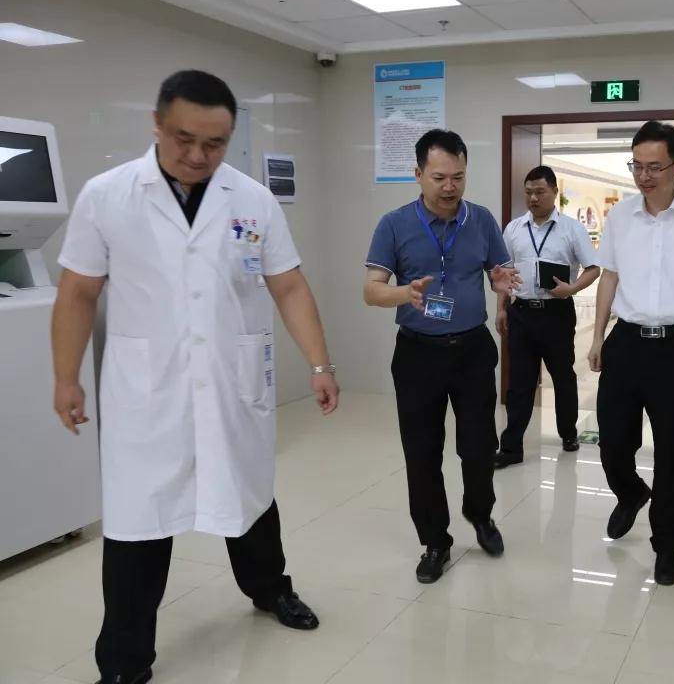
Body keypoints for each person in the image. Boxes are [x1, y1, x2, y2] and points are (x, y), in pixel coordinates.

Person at [52, 70, 339, 684]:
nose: (199, 155)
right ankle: (124, 662)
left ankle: (270, 589)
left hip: (232, 381)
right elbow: (77, 292)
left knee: (249, 496)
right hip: (146, 391)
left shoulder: (252, 200)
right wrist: (66, 378)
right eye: (185, 139)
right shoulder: (108, 196)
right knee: (138, 527)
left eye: (215, 143)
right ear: (157, 124)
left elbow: (288, 285)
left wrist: (320, 364)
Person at [363, 129, 521, 584]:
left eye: (458, 177)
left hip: (472, 350)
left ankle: (480, 513)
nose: (450, 187)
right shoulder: (394, 225)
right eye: (439, 178)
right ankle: (435, 541)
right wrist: (404, 293)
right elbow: (371, 290)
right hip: (418, 354)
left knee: (478, 447)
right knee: (422, 452)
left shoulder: (482, 219)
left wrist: (500, 284)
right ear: (418, 174)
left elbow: (497, 272)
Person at [587, 120, 674, 586]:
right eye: (637, 166)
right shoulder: (621, 216)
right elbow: (609, 275)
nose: (644, 176)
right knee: (612, 442)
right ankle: (630, 492)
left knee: (673, 454)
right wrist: (597, 336)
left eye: (654, 167)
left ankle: (667, 547)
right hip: (626, 342)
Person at [494, 165, 600, 468]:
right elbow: (505, 272)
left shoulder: (571, 229)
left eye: (539, 192)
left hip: (557, 313)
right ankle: (511, 447)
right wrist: (501, 307)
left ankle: (568, 433)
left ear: (554, 191)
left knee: (563, 376)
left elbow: (593, 268)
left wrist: (572, 289)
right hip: (521, 313)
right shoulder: (514, 229)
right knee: (520, 382)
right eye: (528, 192)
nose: (533, 198)